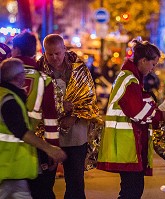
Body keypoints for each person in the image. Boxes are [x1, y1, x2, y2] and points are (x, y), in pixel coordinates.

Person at [97, 39, 165, 199]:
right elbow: (137, 111)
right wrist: (162, 115)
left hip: (126, 145)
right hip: (127, 145)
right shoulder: (130, 80)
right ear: (142, 61)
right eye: (153, 64)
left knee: (130, 189)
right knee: (132, 191)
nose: (153, 69)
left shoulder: (128, 77)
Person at [37, 34, 101, 199]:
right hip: (48, 138)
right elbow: (35, 101)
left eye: (57, 53)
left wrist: (73, 117)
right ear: (44, 52)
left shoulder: (79, 69)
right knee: (44, 184)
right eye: (49, 54)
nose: (54, 57)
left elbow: (88, 99)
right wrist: (60, 106)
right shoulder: (39, 69)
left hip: (75, 137)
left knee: (75, 184)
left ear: (64, 49)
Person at [0, 58, 66, 198]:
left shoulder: (6, 95)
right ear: (18, 77)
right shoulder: (10, 100)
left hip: (13, 169)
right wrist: (50, 148)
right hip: (8, 166)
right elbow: (22, 131)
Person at [11, 31, 60, 198]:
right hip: (33, 147)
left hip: (5, 147)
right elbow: (51, 120)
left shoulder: (4, 75)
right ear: (34, 51)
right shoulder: (44, 79)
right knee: (40, 191)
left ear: (16, 50)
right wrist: (53, 147)